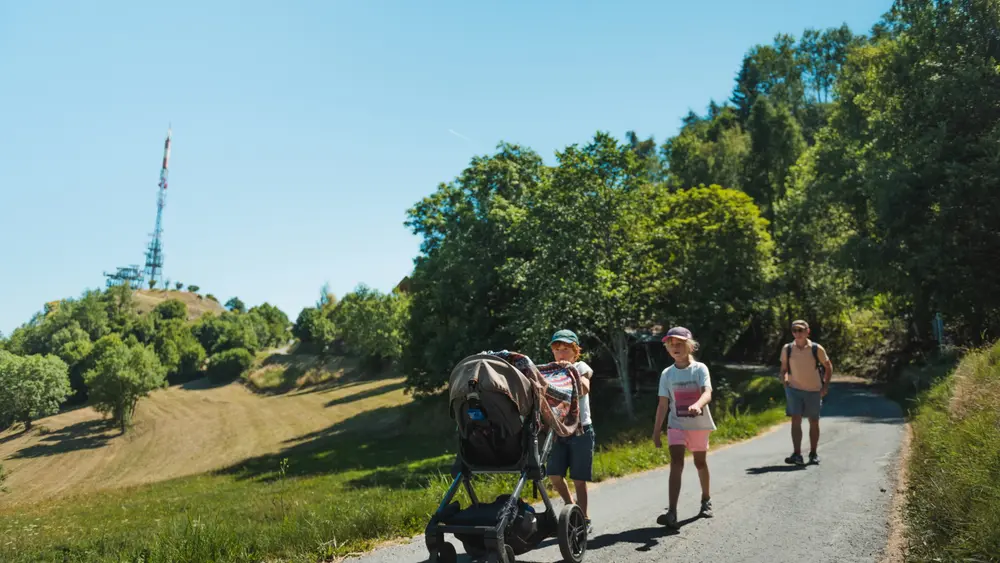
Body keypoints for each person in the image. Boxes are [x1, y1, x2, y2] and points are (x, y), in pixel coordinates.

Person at [652, 326, 715, 529]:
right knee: (676, 463)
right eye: (671, 345)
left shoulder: (700, 369)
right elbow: (662, 404)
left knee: (700, 463)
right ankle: (671, 511)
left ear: (689, 346)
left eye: (679, 344)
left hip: (698, 425)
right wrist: (656, 432)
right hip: (676, 424)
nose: (675, 348)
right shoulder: (667, 374)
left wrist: (698, 405)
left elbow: (708, 393)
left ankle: (706, 500)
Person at [545, 329, 595, 535]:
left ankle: (584, 517)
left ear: (576, 352)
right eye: (557, 350)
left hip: (581, 429)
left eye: (566, 349)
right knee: (554, 474)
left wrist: (570, 371)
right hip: (557, 431)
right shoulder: (549, 372)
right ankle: (570, 507)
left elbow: (584, 388)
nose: (561, 354)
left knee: (579, 478)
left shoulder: (580, 367)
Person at [779, 319, 834, 466]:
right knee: (795, 419)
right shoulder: (787, 349)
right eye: (794, 330)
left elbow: (828, 367)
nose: (798, 333)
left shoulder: (816, 349)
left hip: (813, 390)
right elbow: (784, 368)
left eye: (801, 330)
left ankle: (813, 453)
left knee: (813, 421)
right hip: (794, 389)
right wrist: (784, 379)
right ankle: (797, 454)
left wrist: (825, 386)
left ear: (807, 331)